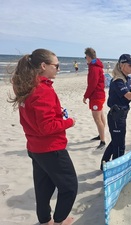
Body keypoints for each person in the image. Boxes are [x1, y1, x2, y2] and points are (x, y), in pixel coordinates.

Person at [8, 49, 77, 225]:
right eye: (56, 66)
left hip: (35, 147)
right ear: (43, 66)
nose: (59, 69)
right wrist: (69, 122)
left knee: (43, 188)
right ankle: (59, 221)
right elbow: (46, 127)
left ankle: (45, 221)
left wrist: (57, 113)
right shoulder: (41, 90)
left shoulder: (26, 85)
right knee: (69, 187)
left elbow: (34, 118)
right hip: (50, 148)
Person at [83, 47, 106, 149]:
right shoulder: (97, 66)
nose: (85, 59)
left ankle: (103, 140)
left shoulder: (94, 67)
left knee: (97, 118)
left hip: (96, 96)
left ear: (88, 56)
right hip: (99, 95)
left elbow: (92, 84)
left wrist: (85, 96)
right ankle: (101, 135)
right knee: (100, 116)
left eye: (85, 57)